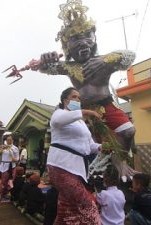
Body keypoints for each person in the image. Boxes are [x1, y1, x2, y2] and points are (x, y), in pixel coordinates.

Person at [29, 1, 136, 177]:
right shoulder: (68, 66)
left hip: (105, 104)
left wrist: (104, 60)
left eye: (87, 36)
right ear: (66, 46)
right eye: (75, 39)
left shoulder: (104, 61)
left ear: (94, 38)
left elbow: (130, 56)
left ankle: (120, 160)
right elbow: (41, 68)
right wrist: (44, 60)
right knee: (81, 139)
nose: (82, 42)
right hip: (81, 108)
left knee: (128, 131)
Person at [46, 87, 110, 224]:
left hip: (78, 169)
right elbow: (57, 122)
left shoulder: (81, 123)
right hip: (61, 166)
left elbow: (90, 146)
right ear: (65, 100)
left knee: (67, 209)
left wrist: (101, 147)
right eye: (74, 97)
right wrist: (87, 112)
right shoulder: (59, 113)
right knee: (89, 205)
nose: (78, 100)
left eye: (79, 98)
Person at [0, 134, 19, 205]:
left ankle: (11, 196)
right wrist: (0, 148)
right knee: (3, 182)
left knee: (12, 182)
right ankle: (0, 198)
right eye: (7, 140)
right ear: (6, 140)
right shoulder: (3, 147)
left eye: (10, 139)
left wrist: (14, 159)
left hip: (12, 166)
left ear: (12, 140)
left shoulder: (15, 148)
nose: (9, 141)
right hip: (4, 166)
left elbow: (17, 159)